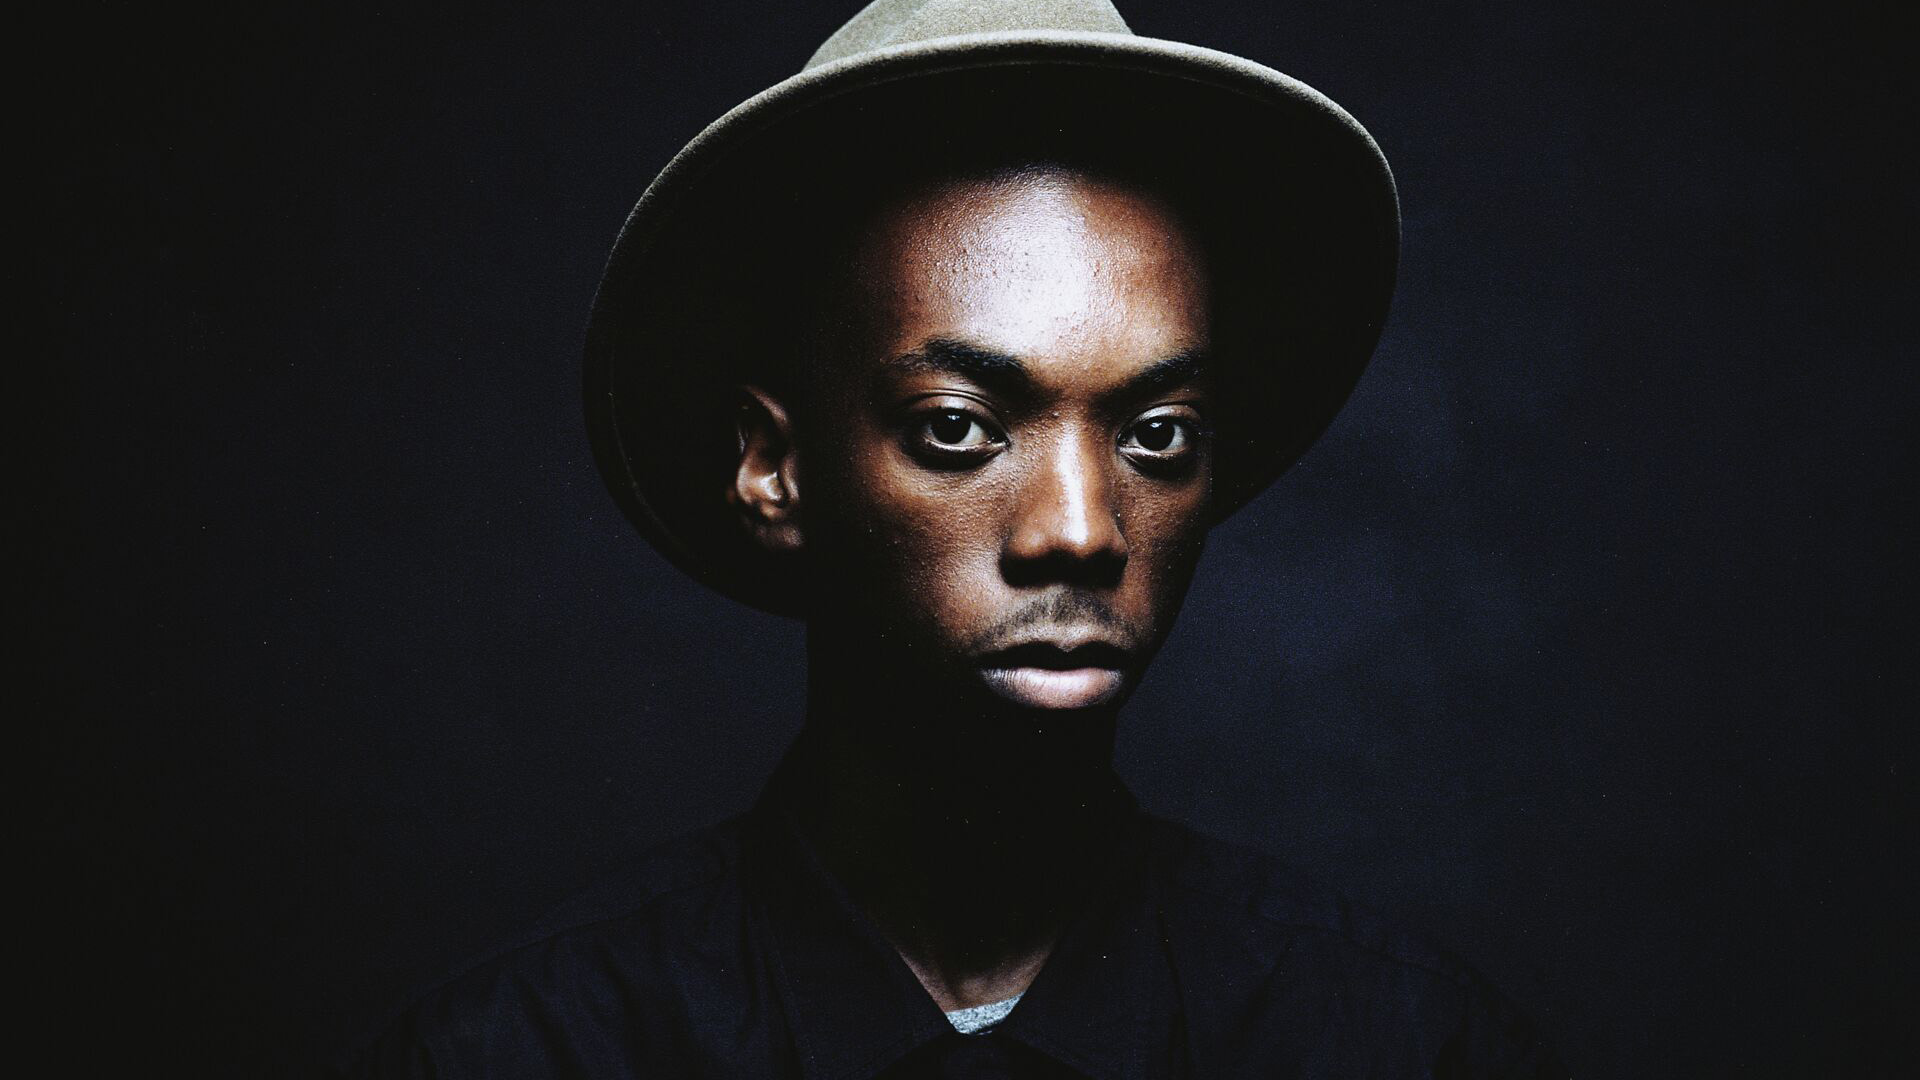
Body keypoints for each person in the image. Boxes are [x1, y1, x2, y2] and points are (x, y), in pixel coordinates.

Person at [348, 1, 1560, 1075]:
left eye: (1156, 435)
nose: (1081, 530)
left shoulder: (1406, 1045)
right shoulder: (524, 1051)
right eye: (958, 428)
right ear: (775, 469)